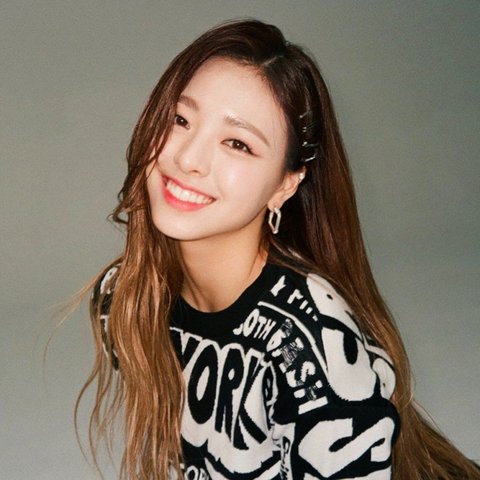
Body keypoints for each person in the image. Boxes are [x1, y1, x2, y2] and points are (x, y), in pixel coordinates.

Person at [79, 19, 480, 480]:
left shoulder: (306, 345)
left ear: (285, 185)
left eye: (237, 143)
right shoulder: (126, 299)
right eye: (180, 119)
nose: (188, 158)